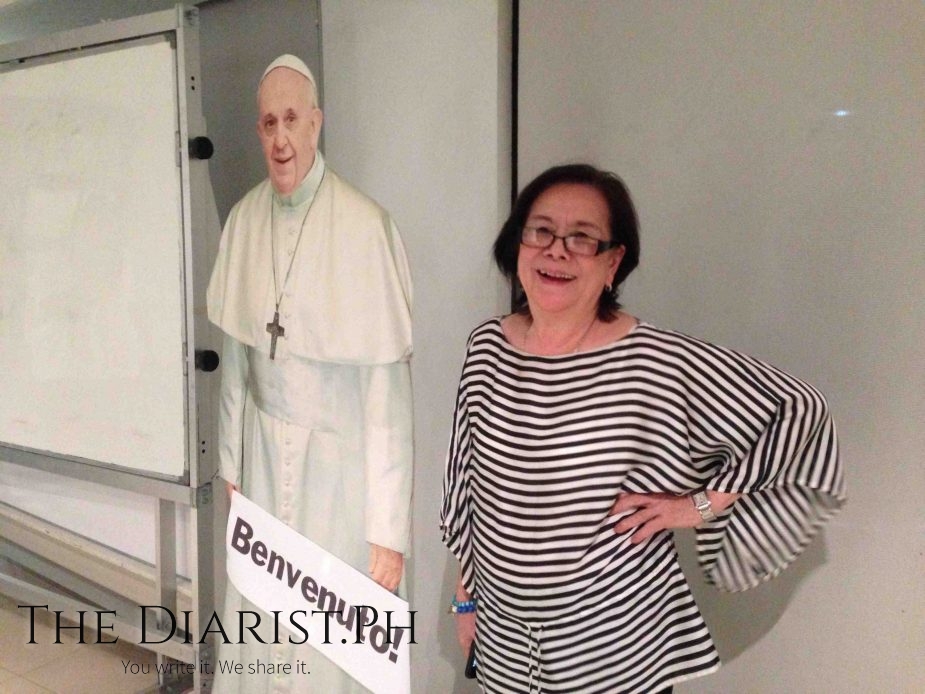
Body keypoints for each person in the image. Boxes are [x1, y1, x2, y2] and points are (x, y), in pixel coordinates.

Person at [440, 164, 845, 693]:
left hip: (617, 646)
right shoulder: (486, 347)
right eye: (541, 230)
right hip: (507, 644)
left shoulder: (653, 360)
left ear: (613, 262)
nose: (556, 251)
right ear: (517, 244)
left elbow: (798, 410)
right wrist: (466, 598)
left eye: (582, 238)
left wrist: (696, 507)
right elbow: (471, 491)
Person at [207, 54, 413, 693]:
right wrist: (232, 468)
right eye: (268, 123)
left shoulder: (364, 225)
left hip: (340, 481)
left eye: (292, 119)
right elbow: (237, 362)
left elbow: (387, 399)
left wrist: (388, 531)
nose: (279, 138)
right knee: (261, 632)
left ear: (316, 123)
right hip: (265, 473)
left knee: (329, 651)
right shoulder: (243, 220)